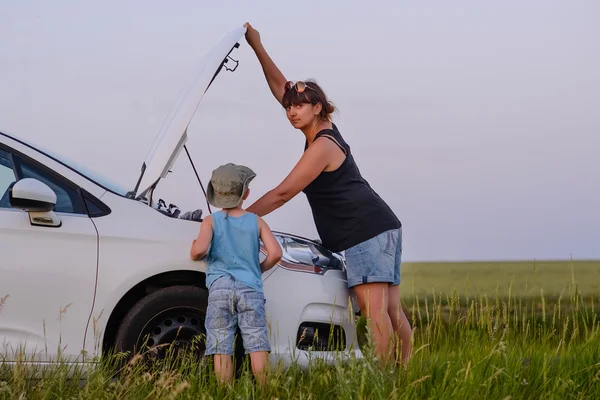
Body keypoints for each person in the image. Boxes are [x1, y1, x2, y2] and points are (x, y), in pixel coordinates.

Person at [242, 22, 412, 366]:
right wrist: (256, 45)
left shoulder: (322, 146)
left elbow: (284, 191)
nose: (291, 111)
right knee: (391, 311)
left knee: (375, 313)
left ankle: (384, 382)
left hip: (367, 231)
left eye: (299, 107)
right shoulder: (322, 130)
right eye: (289, 107)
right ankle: (404, 375)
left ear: (317, 107)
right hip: (382, 226)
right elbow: (281, 86)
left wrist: (241, 218)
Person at [190, 163, 282, 385]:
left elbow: (199, 250)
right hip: (250, 288)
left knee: (221, 342)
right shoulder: (256, 221)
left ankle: (224, 392)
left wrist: (195, 247)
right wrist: (258, 269)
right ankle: (265, 391)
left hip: (220, 288)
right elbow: (276, 253)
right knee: (256, 341)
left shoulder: (211, 221)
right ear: (246, 194)